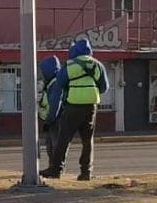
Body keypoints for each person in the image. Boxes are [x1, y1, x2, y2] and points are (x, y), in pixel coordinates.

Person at [41, 38, 109, 181]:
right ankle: (86, 172)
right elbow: (104, 88)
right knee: (87, 140)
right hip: (91, 106)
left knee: (64, 138)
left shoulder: (70, 66)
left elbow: (58, 91)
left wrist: (51, 117)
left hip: (73, 105)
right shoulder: (97, 65)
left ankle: (56, 170)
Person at [37, 55, 64, 168]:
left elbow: (54, 104)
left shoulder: (55, 84)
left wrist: (49, 119)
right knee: (50, 144)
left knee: (55, 144)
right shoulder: (50, 84)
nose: (41, 75)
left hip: (55, 119)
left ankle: (56, 168)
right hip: (51, 119)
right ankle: (52, 166)